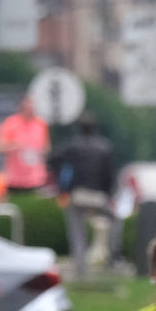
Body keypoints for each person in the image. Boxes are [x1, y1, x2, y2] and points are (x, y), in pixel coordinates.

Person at [52, 113, 123, 279]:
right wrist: (110, 195)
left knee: (77, 231)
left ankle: (80, 267)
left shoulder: (73, 146)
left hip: (78, 194)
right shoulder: (104, 147)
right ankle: (113, 257)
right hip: (98, 196)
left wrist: (62, 185)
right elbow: (110, 174)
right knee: (115, 222)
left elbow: (53, 159)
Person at [0, 94, 50, 193]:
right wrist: (14, 146)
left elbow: (46, 147)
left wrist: (38, 152)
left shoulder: (41, 124)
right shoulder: (11, 123)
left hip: (35, 177)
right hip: (15, 178)